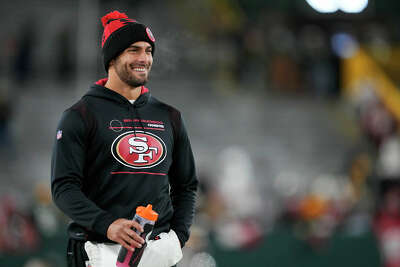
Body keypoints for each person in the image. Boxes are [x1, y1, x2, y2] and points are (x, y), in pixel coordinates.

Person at [51, 10, 198, 267]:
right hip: (96, 250)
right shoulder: (80, 115)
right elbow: (64, 188)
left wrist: (178, 236)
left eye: (148, 51)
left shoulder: (170, 116)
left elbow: (186, 186)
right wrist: (108, 225)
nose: (144, 58)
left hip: (157, 253)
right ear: (112, 57)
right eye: (133, 50)